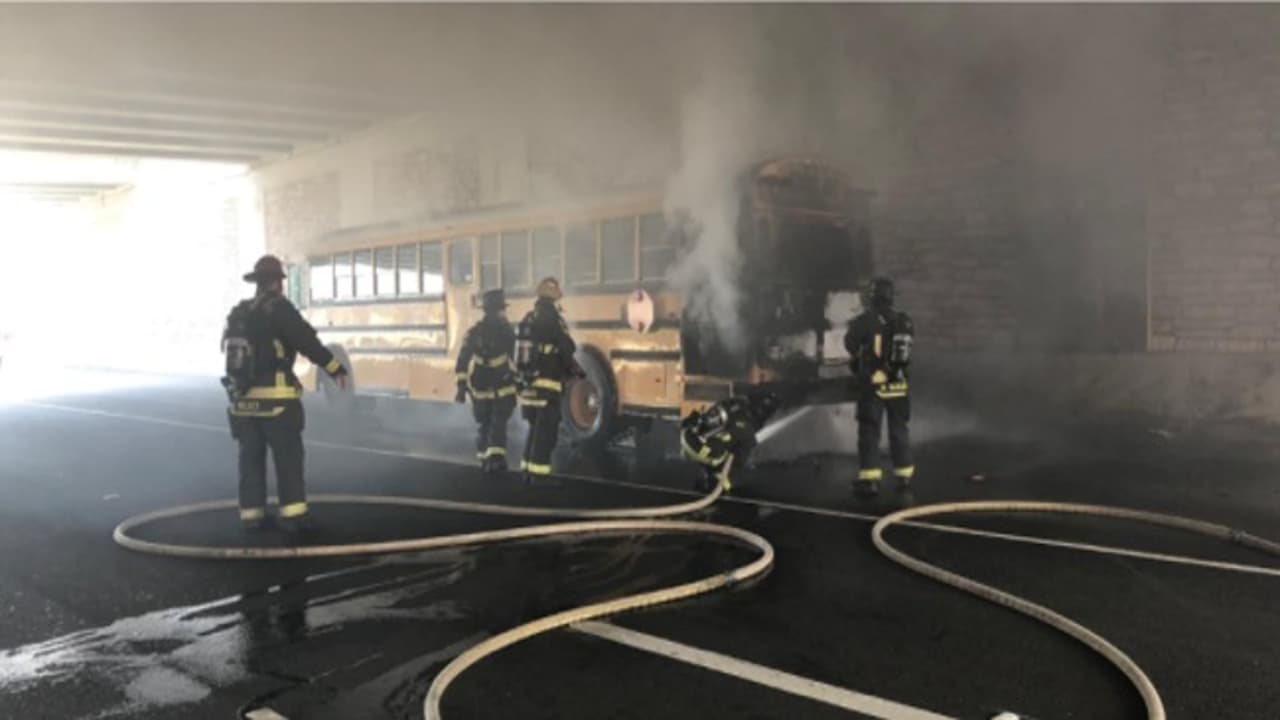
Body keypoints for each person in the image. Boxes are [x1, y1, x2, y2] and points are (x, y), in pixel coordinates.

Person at [222, 255, 348, 532]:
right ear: (278, 282)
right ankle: (294, 516)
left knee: (250, 459)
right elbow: (307, 342)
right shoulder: (279, 310)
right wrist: (334, 367)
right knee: (287, 458)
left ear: (256, 283)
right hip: (276, 404)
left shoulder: (238, 313)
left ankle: (252, 516)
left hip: (242, 402)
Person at [844, 276, 915, 497]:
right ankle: (904, 476)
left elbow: (850, 344)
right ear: (891, 297)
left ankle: (870, 480)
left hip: (873, 386)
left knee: (869, 431)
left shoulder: (863, 322)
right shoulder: (903, 321)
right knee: (899, 430)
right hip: (899, 385)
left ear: (871, 297)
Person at [515, 277, 580, 483]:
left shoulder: (529, 317)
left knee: (534, 429)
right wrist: (573, 370)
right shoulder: (552, 318)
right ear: (553, 298)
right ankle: (539, 476)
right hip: (548, 385)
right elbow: (566, 347)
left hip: (529, 384)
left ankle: (526, 470)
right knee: (546, 434)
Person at [455, 289, 518, 473]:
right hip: (502, 384)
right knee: (498, 423)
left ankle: (484, 458)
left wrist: (461, 387)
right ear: (498, 310)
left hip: (480, 386)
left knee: (484, 424)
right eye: (501, 309)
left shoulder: (474, 333)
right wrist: (521, 378)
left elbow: (463, 360)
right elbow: (516, 357)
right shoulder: (506, 331)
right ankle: (496, 460)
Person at [680, 391, 779, 493]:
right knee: (728, 461)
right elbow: (739, 461)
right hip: (704, 453)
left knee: (723, 447)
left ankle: (706, 479)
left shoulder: (733, 403)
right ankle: (715, 483)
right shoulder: (749, 430)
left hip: (687, 437)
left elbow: (703, 417)